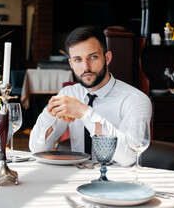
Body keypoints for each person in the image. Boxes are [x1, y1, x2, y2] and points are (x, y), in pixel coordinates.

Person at [29, 26, 152, 166]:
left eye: (93, 57)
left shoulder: (135, 99)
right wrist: (48, 115)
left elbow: (129, 156)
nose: (85, 67)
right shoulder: (69, 94)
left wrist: (85, 112)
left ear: (107, 58)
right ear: (71, 64)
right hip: (74, 179)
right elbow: (37, 149)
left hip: (118, 183)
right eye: (77, 60)